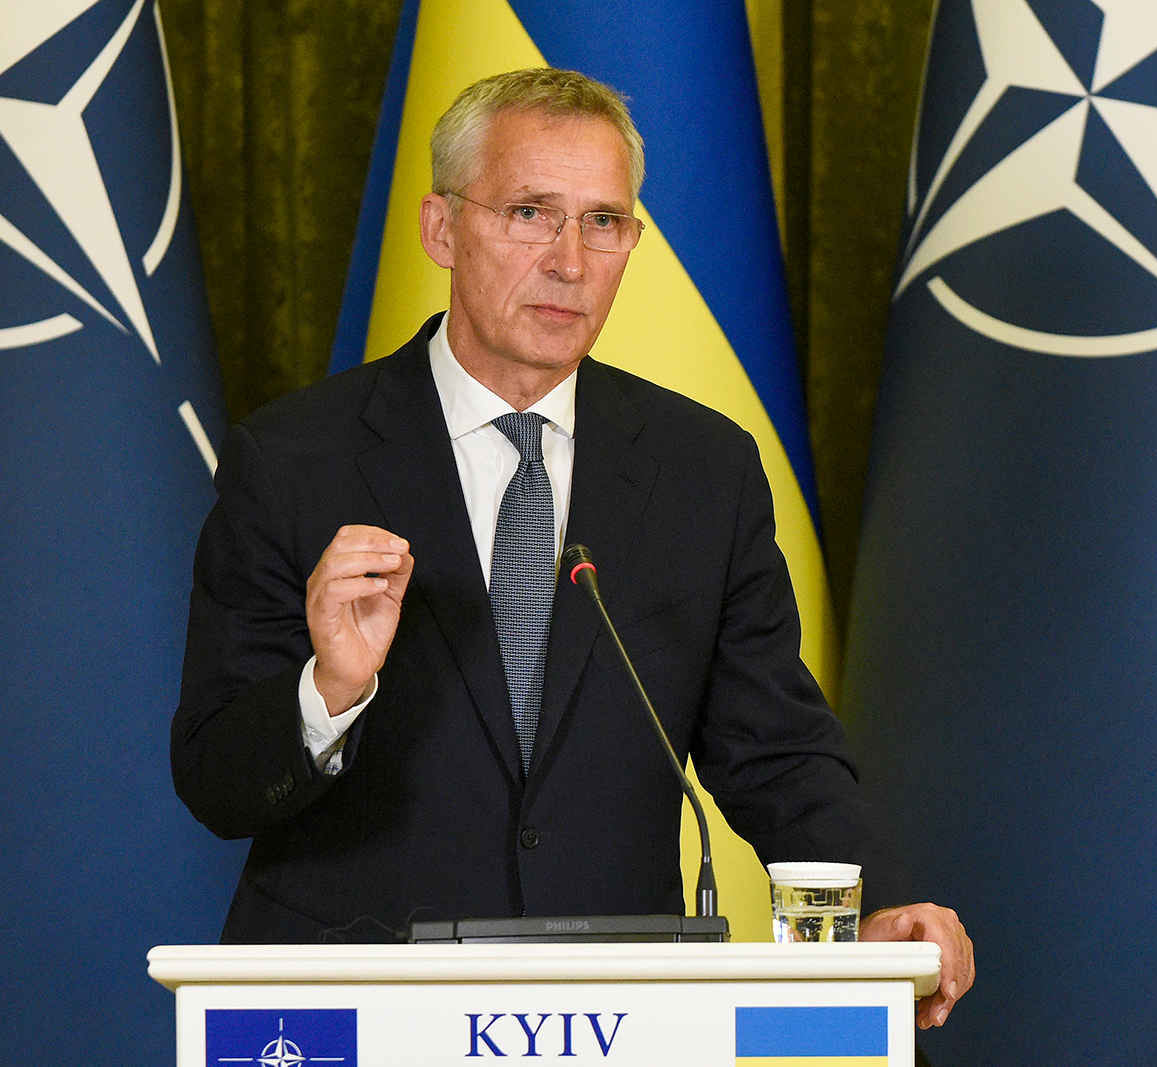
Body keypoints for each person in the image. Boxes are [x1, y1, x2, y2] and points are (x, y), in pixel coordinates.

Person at [172, 67, 972, 1028]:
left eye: (604, 222)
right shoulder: (294, 458)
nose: (568, 260)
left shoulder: (702, 469)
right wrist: (328, 691)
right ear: (440, 229)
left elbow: (777, 748)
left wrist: (881, 903)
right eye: (529, 212)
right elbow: (216, 774)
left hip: (625, 1012)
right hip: (356, 1007)